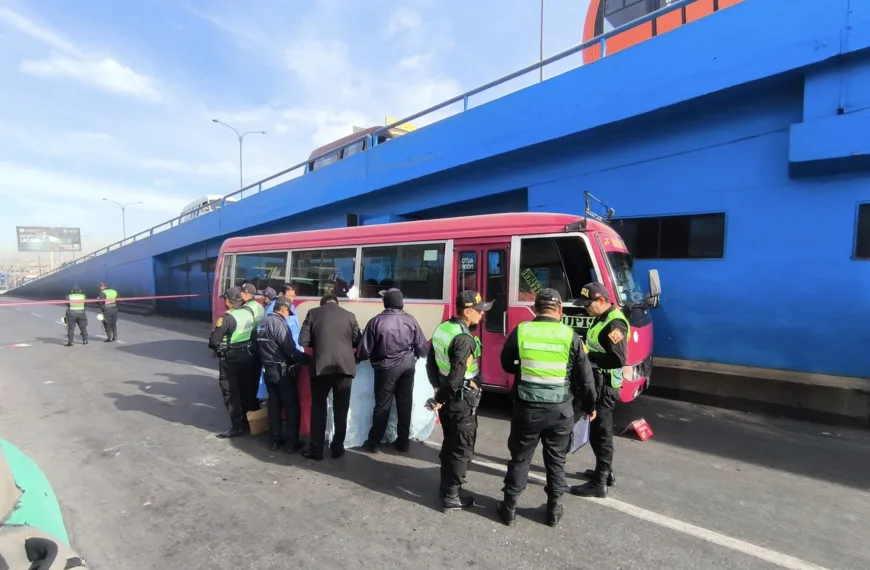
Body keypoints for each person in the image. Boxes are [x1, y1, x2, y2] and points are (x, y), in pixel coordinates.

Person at [496, 289, 597, 527]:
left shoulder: (522, 330)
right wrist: (590, 405)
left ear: (535, 308)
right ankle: (553, 510)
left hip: (527, 408)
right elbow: (585, 378)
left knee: (520, 458)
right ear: (560, 310)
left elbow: (506, 364)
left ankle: (509, 508)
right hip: (560, 410)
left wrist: (523, 365)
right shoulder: (570, 335)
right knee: (556, 460)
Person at [426, 290, 491, 513]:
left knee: (450, 442)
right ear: (467, 311)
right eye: (479, 311)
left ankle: (446, 488)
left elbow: (431, 363)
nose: (482, 315)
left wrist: (438, 391)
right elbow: (456, 378)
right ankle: (452, 495)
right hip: (460, 401)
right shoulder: (464, 340)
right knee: (461, 448)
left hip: (448, 400)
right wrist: (441, 397)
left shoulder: (442, 329)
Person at [570, 282, 630, 498]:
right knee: (597, 430)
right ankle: (605, 471)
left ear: (602, 301)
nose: (585, 308)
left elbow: (617, 358)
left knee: (601, 433)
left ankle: (600, 483)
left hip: (605, 385)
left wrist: (587, 355)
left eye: (588, 304)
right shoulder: (601, 318)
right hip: (598, 381)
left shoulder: (615, 325)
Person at [358, 288, 428, 453]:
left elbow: (364, 351)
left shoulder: (376, 321)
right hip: (408, 366)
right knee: (405, 404)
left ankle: (373, 442)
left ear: (386, 302)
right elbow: (423, 348)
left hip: (386, 368)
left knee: (382, 405)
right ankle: (403, 441)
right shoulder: (411, 320)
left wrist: (356, 359)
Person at [298, 293, 361, 460]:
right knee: (341, 410)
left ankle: (316, 450)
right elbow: (357, 341)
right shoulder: (350, 316)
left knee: (318, 409)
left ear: (322, 304)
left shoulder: (313, 313)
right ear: (337, 303)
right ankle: (337, 448)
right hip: (345, 368)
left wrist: (319, 342)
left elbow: (302, 340)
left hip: (321, 368)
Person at [257, 296, 309, 453]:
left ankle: (275, 440)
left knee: (273, 406)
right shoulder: (279, 324)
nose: (288, 316)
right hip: (282, 371)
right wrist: (306, 359)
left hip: (268, 370)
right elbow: (290, 349)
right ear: (284, 309)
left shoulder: (262, 323)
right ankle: (291, 443)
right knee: (291, 406)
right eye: (288, 313)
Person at [208, 286, 255, 439]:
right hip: (247, 356)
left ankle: (237, 427)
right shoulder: (248, 313)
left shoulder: (227, 318)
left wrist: (217, 346)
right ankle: (250, 422)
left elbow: (214, 341)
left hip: (230, 359)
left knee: (230, 393)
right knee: (247, 391)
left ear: (228, 301)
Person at [240, 283, 266, 413]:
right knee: (256, 377)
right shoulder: (259, 306)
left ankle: (248, 410)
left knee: (247, 379)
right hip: (260, 344)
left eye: (241, 293)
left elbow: (244, 329)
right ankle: (255, 406)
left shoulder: (246, 308)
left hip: (250, 343)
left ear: (246, 294)